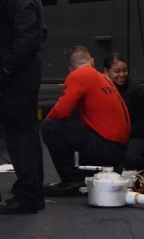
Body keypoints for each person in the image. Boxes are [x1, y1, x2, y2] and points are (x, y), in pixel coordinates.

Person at [0, 0, 47, 214]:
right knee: (27, 134)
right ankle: (32, 190)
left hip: (19, 75)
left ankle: (27, 196)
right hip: (24, 72)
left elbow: (29, 39)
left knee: (21, 136)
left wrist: (9, 67)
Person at [41, 46, 131, 197]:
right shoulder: (100, 77)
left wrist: (47, 118)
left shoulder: (77, 76)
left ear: (70, 68)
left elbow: (60, 112)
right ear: (92, 61)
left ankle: (72, 180)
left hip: (107, 147)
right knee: (73, 122)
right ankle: (85, 173)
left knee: (49, 126)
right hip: (118, 149)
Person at [102, 53, 144, 171]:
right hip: (115, 136)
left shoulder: (138, 90)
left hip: (139, 135)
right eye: (117, 71)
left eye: (125, 70)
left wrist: (123, 134)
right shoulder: (102, 89)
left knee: (130, 160)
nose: (122, 75)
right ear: (106, 71)